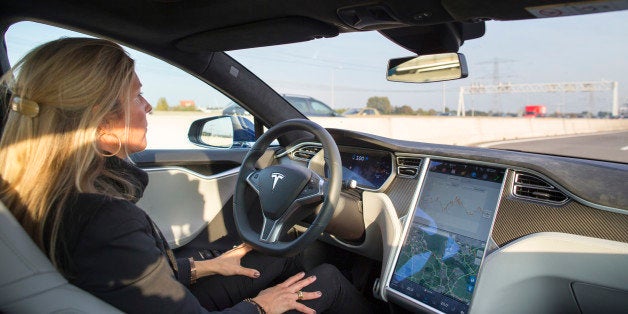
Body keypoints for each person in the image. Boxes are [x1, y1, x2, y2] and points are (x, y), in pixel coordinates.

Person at [0, 38, 372, 313]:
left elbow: (125, 277)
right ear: (101, 119)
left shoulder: (33, 190)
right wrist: (262, 307)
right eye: (137, 97)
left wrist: (203, 266)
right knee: (330, 283)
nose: (148, 107)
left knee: (279, 257)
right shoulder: (103, 218)